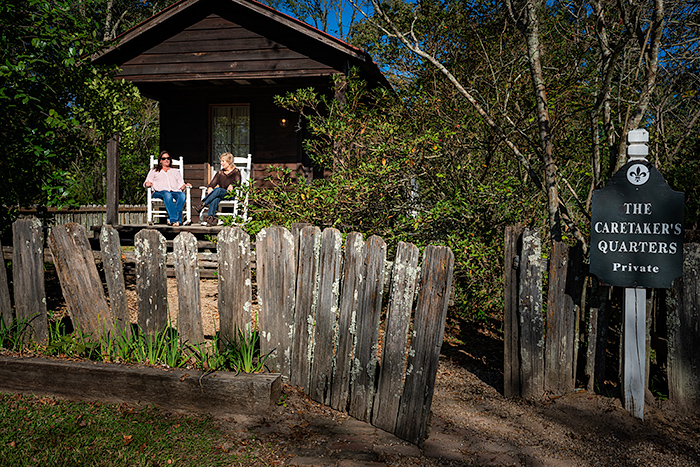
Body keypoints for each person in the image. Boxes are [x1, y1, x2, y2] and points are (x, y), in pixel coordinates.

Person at [143, 150, 191, 226]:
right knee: (167, 194)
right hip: (159, 192)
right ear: (160, 161)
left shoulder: (175, 171)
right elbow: (146, 182)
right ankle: (175, 219)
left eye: (168, 158)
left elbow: (181, 185)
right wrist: (147, 184)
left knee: (182, 195)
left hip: (174, 191)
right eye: (164, 158)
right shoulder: (154, 171)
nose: (166, 160)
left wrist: (185, 185)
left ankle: (173, 220)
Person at [192, 152, 241, 226]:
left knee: (217, 190)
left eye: (223, 161)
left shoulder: (236, 172)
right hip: (220, 195)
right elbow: (212, 183)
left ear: (229, 162)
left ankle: (202, 204)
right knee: (215, 198)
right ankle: (210, 219)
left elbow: (238, 183)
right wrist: (210, 187)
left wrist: (232, 185)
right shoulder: (220, 173)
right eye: (221, 161)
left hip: (231, 195)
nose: (221, 163)